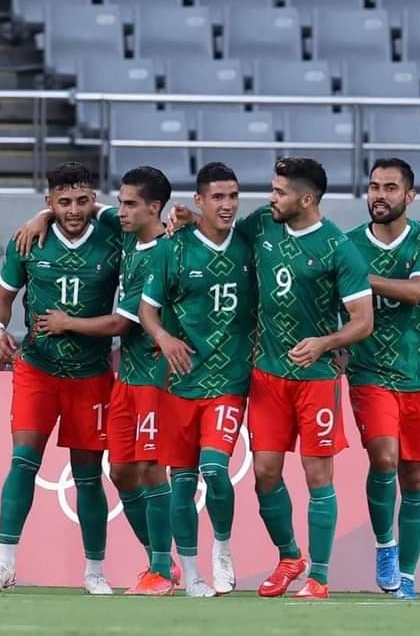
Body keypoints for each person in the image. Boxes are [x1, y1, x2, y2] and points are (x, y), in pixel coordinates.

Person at [171, 157, 374, 600]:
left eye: (279, 192)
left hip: (315, 376)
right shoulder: (263, 224)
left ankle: (318, 576)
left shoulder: (338, 248)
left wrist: (324, 343)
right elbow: (219, 234)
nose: (270, 198)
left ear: (306, 199)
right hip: (266, 375)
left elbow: (363, 321)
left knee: (317, 474)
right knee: (265, 473)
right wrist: (189, 216)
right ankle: (289, 557)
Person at [12, 166, 178, 596]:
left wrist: (67, 322)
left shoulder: (162, 250)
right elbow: (80, 208)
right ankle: (161, 564)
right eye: (118, 202)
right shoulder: (125, 233)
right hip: (127, 375)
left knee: (151, 468)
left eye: (127, 204)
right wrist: (42, 216)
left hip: (157, 374)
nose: (117, 210)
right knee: (122, 471)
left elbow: (123, 324)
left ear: (152, 208)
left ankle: (167, 566)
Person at [0, 162, 122, 595]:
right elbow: (3, 300)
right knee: (23, 462)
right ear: (49, 203)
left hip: (92, 374)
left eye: (83, 200)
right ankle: (3, 565)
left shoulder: (114, 235)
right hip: (37, 369)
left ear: (93, 198)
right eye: (63, 202)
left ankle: (95, 572)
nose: (74, 210)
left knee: (87, 475)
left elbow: (137, 216)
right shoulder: (27, 240)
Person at [139, 162, 256, 598]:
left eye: (233, 197)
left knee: (214, 469)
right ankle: (190, 575)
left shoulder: (250, 241)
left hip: (229, 379)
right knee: (182, 480)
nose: (227, 206)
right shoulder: (174, 249)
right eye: (218, 198)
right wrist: (163, 336)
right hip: (180, 380)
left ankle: (222, 549)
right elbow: (148, 309)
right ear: (200, 201)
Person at [344, 158, 420, 601]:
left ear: (410, 195)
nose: (379, 195)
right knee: (384, 459)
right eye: (373, 186)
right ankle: (385, 547)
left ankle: (407, 574)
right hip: (369, 371)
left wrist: (356, 277)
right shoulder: (348, 242)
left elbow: (414, 291)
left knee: (416, 478)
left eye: (390, 188)